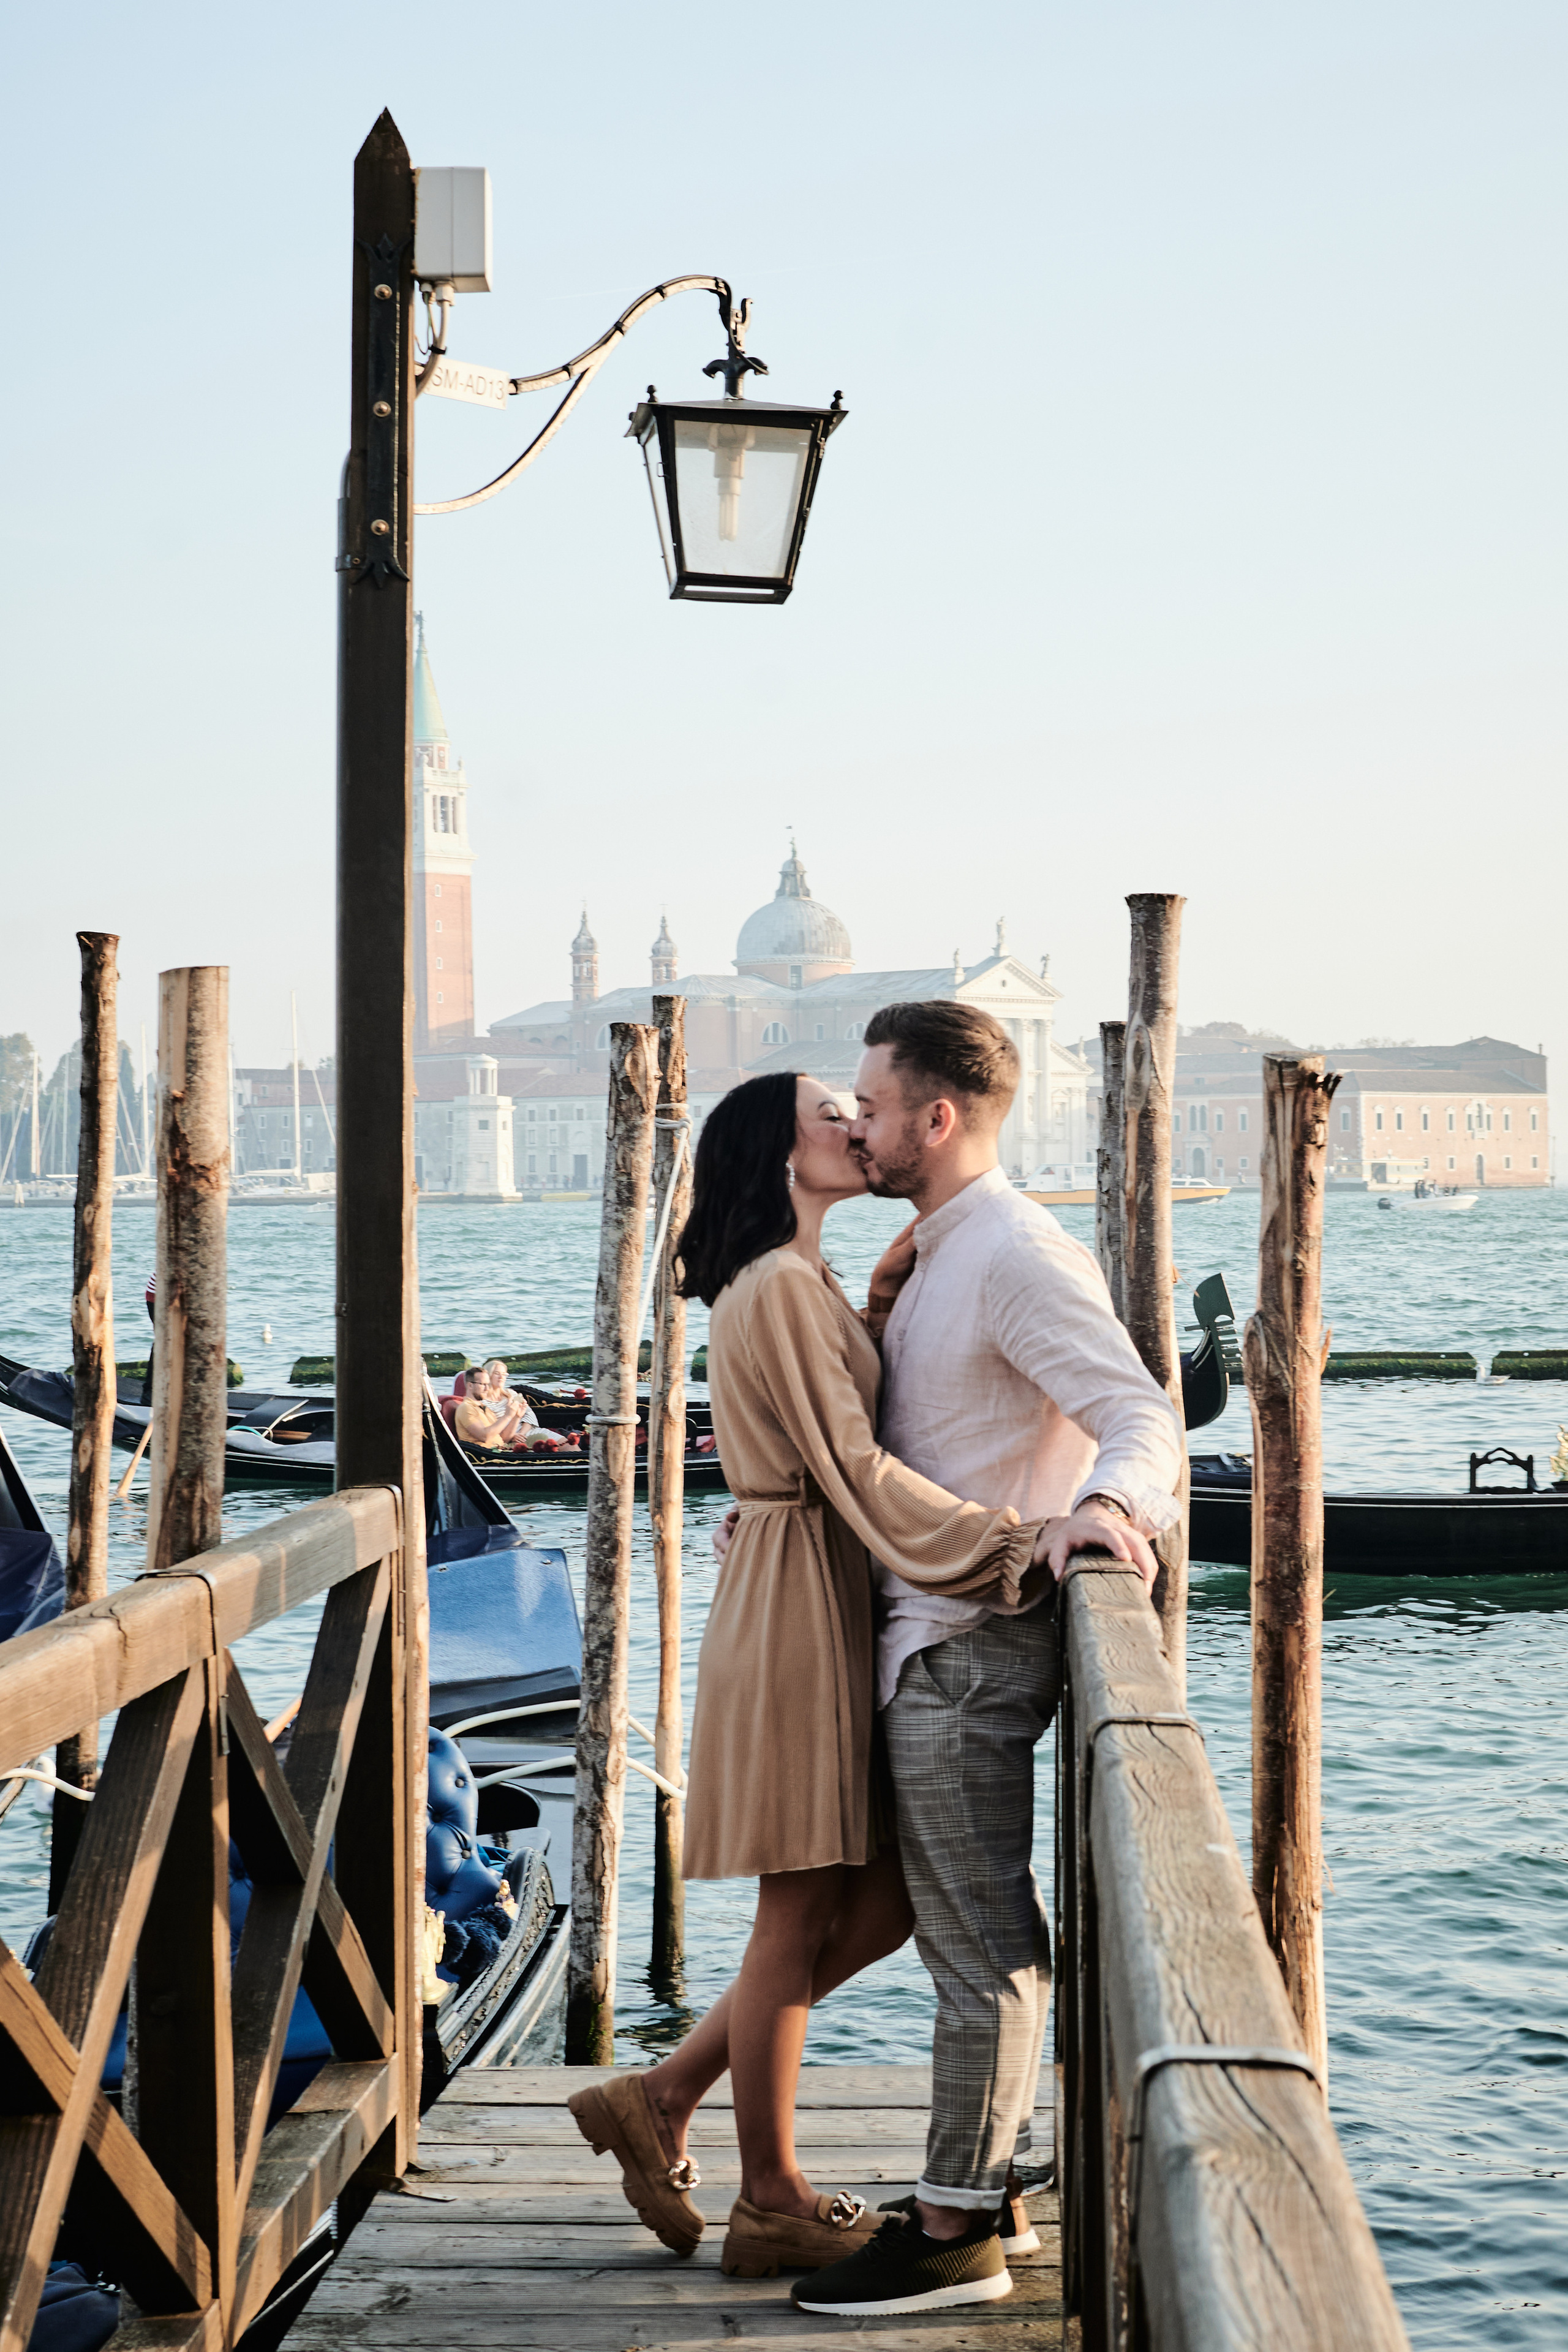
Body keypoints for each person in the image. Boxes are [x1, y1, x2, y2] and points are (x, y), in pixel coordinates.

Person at [566, 1070, 1074, 2285]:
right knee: (796, 1914)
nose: (855, 1126)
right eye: (826, 1116)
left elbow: (834, 1418)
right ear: (775, 1154)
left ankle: (664, 2093)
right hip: (798, 1600)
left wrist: (889, 1284)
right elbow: (854, 1465)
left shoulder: (795, 1282)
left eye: (860, 1106)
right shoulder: (781, 1287)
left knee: (889, 1902)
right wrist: (1012, 1549)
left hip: (805, 1583)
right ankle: (772, 2200)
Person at [788, 1000, 1182, 2320]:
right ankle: (975, 2184)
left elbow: (1134, 1410)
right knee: (964, 1935)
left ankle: (957, 2227)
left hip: (966, 1647)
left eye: (874, 1105)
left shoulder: (1008, 1251)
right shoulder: (939, 1249)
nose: (857, 1122)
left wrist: (1109, 1511)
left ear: (935, 1118)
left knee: (977, 1947)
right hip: (931, 1637)